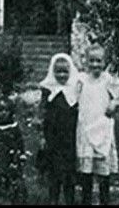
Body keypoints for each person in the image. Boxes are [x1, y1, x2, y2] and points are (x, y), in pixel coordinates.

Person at [75, 45, 119, 206]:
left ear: (104, 62)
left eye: (99, 61)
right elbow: (73, 98)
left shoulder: (109, 80)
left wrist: (114, 103)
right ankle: (86, 200)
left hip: (102, 127)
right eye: (92, 61)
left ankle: (104, 200)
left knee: (103, 170)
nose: (95, 64)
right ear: (86, 62)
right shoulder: (81, 79)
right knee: (86, 171)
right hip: (86, 127)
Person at [38, 52, 80, 205]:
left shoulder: (75, 90)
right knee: (54, 172)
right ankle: (53, 199)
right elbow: (42, 112)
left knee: (69, 172)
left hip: (70, 137)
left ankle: (70, 200)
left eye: (65, 72)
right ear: (52, 71)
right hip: (53, 137)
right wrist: (42, 136)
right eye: (58, 72)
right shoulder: (48, 89)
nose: (62, 75)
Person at [0, 94, 27, 201]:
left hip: (12, 158)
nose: (4, 113)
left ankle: (16, 197)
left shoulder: (13, 127)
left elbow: (19, 142)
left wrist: (21, 154)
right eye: (0, 110)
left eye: (6, 110)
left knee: (14, 180)